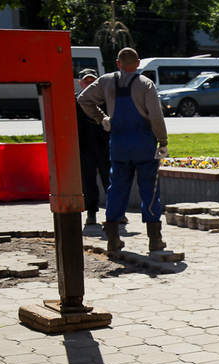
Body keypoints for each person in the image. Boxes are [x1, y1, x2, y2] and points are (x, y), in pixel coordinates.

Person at [78, 47, 169, 253]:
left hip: (118, 142)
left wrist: (102, 118)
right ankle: (155, 240)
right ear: (138, 63)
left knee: (117, 188)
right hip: (143, 142)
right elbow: (155, 116)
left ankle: (112, 239)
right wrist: (162, 142)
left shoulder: (106, 81)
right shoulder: (146, 84)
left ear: (118, 64)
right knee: (150, 189)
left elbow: (83, 99)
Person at [76, 68, 111, 226]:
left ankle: (115, 213)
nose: (89, 84)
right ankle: (91, 212)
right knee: (88, 182)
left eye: (93, 81)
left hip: (105, 147)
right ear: (80, 83)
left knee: (110, 181)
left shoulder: (106, 100)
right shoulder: (76, 101)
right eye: (86, 81)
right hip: (85, 148)